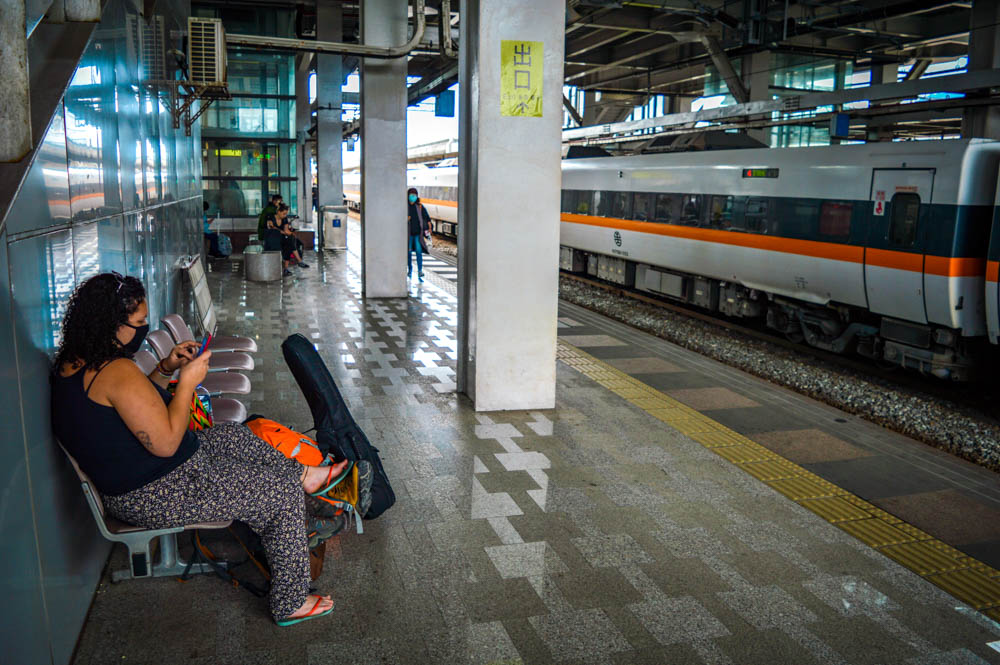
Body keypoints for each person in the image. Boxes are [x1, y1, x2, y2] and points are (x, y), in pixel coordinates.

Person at [50, 272, 349, 626]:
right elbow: (165, 443)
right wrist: (187, 385)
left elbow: (135, 405)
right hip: (155, 491)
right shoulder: (115, 370)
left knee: (230, 436)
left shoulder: (77, 363)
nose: (144, 329)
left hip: (144, 478)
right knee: (278, 493)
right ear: (110, 323)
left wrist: (166, 368)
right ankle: (290, 601)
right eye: (138, 323)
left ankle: (308, 479)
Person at [406, 188, 431, 281]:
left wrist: (429, 227)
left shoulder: (419, 206)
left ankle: (420, 270)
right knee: (408, 253)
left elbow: (426, 217)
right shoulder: (405, 206)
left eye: (415, 195)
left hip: (417, 234)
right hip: (408, 235)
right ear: (408, 195)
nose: (413, 197)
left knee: (418, 252)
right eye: (411, 195)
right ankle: (410, 270)